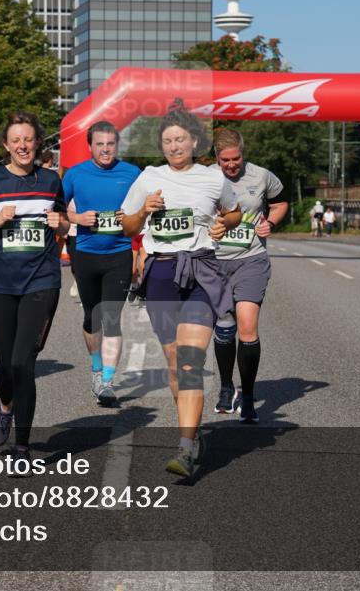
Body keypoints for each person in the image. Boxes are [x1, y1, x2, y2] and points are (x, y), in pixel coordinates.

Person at [121, 100, 241, 478]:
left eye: (181, 139)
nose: (174, 146)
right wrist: (144, 212)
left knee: (190, 362)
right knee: (175, 364)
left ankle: (186, 447)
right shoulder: (147, 177)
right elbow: (127, 226)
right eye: (168, 141)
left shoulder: (212, 177)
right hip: (161, 274)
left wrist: (225, 224)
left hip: (201, 270)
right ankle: (194, 432)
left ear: (195, 142)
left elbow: (234, 211)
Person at [0, 111, 69, 472]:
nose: (23, 145)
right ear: (6, 145)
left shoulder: (51, 181)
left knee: (24, 362)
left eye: (29, 139)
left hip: (42, 281)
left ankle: (22, 445)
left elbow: (63, 224)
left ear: (38, 143)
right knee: (5, 367)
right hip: (0, 285)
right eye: (16, 140)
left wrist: (62, 223)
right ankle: (5, 408)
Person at [208, 129, 288, 423]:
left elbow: (280, 203)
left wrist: (272, 222)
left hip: (250, 259)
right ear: (217, 158)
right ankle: (227, 387)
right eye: (225, 160)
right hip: (214, 262)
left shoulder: (261, 176)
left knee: (247, 326)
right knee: (225, 326)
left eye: (236, 158)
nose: (231, 164)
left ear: (244, 153)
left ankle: (250, 395)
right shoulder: (205, 177)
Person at [62, 121, 141, 406]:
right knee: (91, 318)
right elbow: (56, 210)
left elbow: (146, 211)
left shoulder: (132, 173)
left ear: (116, 145)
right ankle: (96, 367)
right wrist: (77, 218)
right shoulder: (75, 174)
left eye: (110, 144)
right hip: (85, 254)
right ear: (90, 146)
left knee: (111, 318)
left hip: (119, 255)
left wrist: (132, 218)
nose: (105, 149)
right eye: (100, 144)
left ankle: (107, 381)